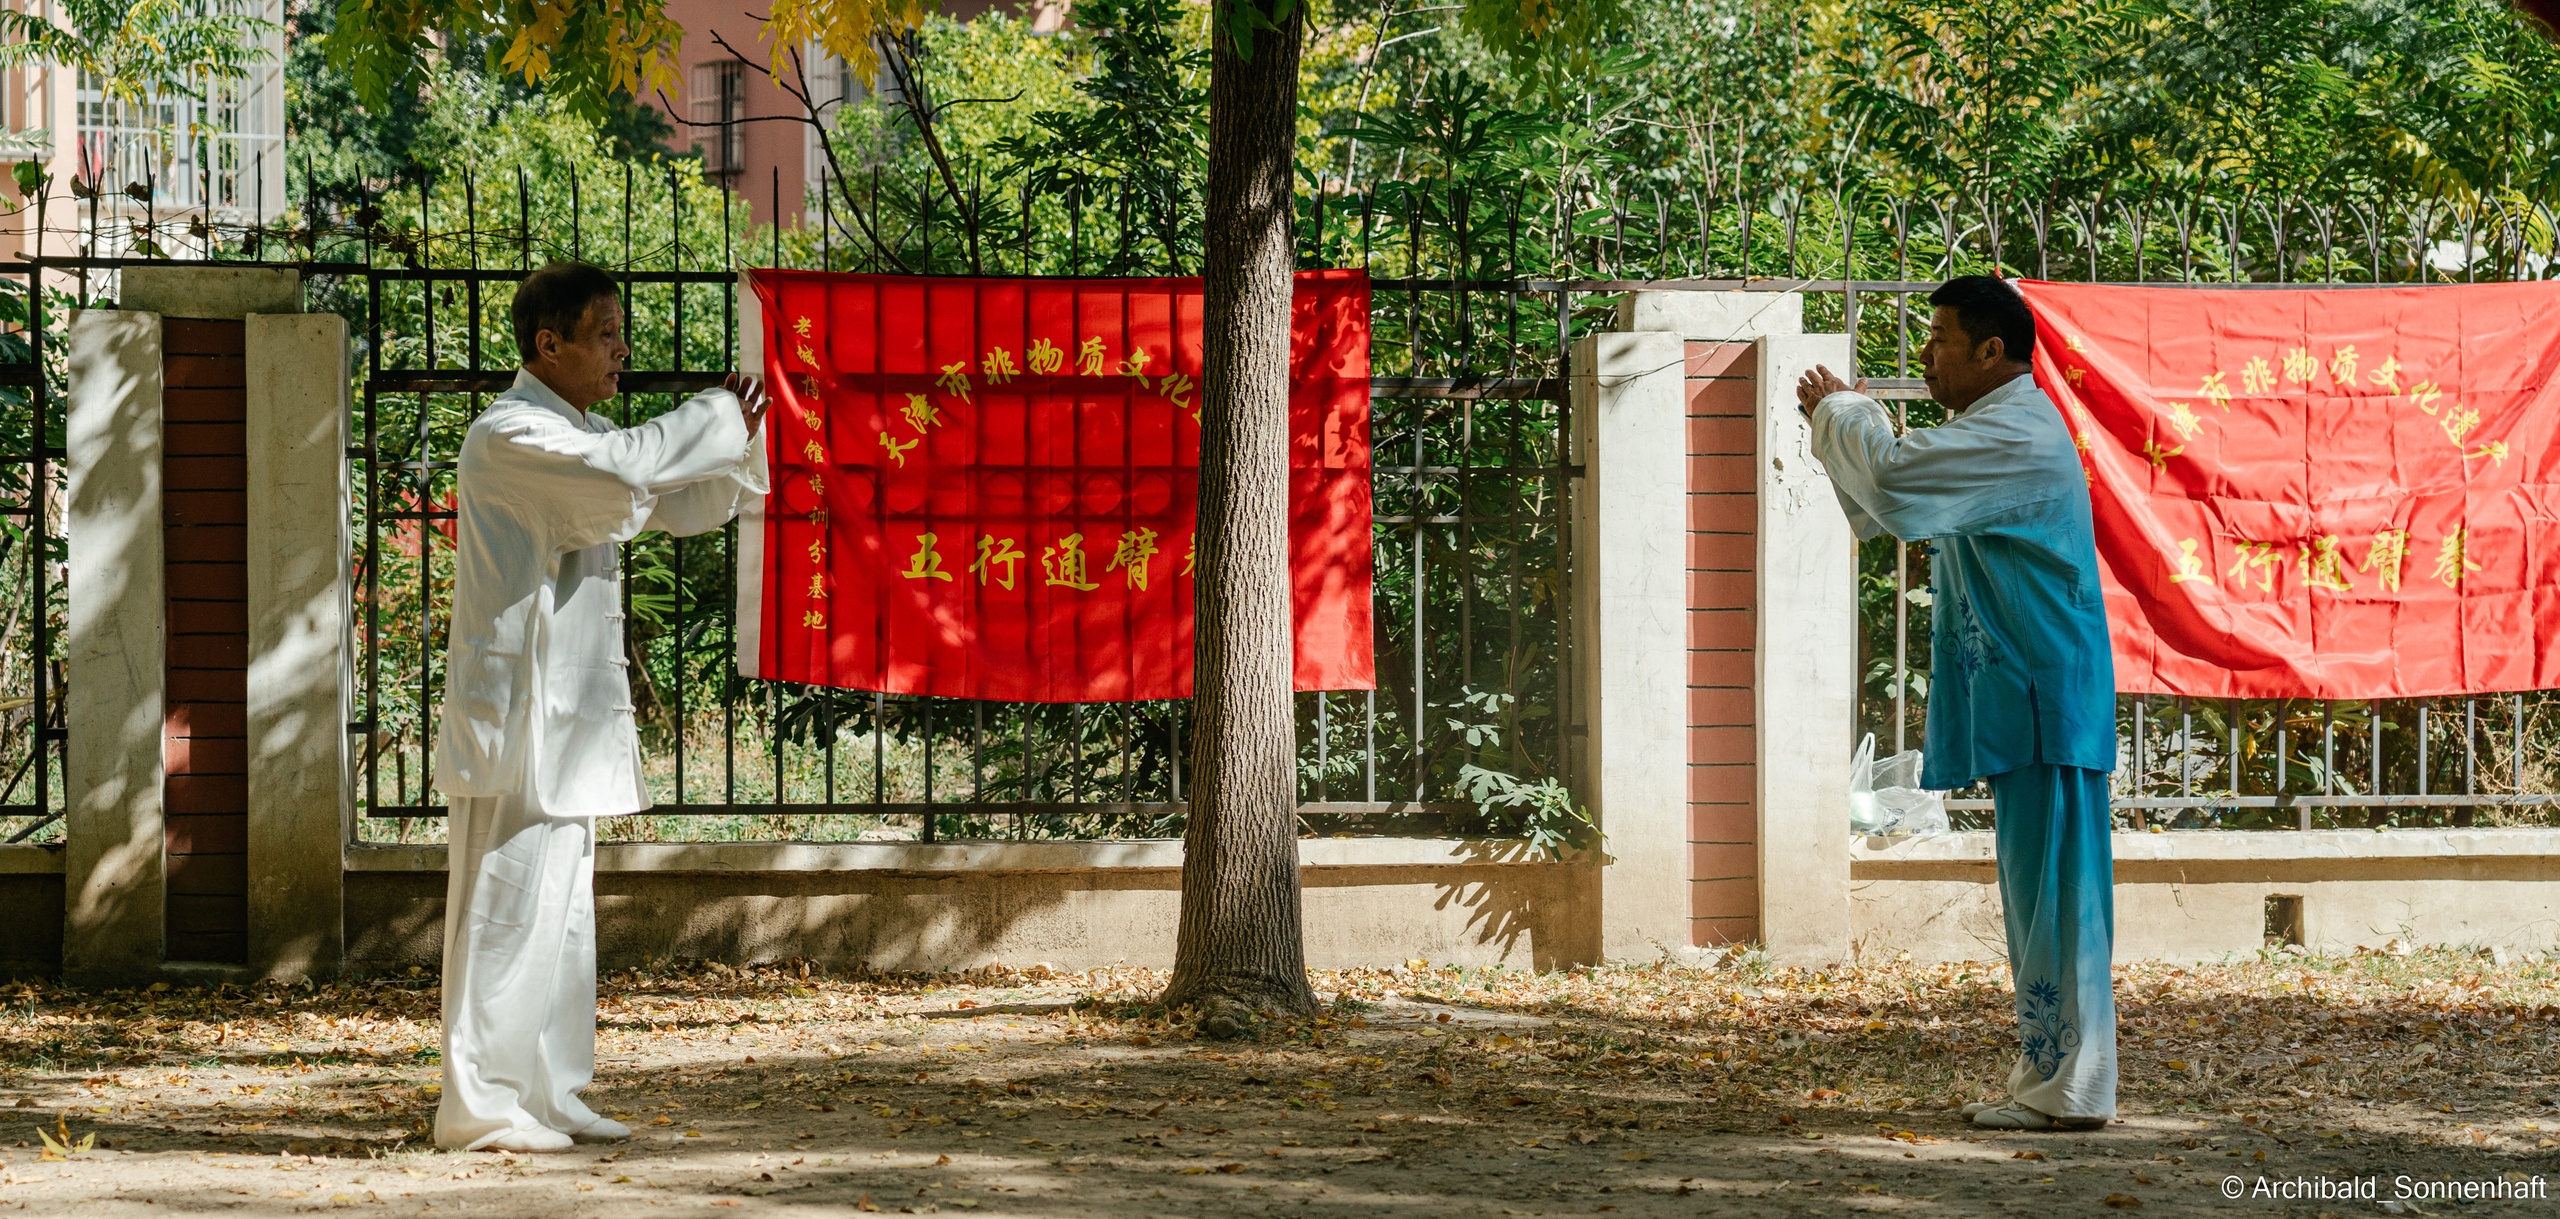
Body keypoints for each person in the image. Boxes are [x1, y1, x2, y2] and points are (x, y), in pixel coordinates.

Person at [432, 261, 770, 1152]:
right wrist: (716, 414)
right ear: (550, 344)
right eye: (607, 333)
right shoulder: (510, 436)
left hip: (564, 720)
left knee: (565, 922)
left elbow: (668, 500)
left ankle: (550, 1092)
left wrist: (744, 441)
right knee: (504, 917)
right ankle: (479, 1107)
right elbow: (630, 469)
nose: (623, 350)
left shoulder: (576, 432)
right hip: (513, 720)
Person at [1795, 275, 2117, 1132]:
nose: (1926, 355)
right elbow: (1894, 502)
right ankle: (2052, 1077)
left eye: (1940, 339)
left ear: (1990, 350)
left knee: (2055, 896)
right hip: (2037, 694)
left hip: (2046, 697)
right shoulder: (1999, 426)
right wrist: (1842, 429)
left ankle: (2072, 1087)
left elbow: (1896, 483)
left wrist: (1842, 411)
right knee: (2040, 895)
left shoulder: (2016, 428)